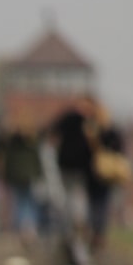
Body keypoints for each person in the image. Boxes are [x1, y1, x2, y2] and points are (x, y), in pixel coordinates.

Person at [49, 95, 97, 241]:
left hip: (71, 165)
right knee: (76, 195)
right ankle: (75, 222)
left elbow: (52, 131)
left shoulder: (71, 118)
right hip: (78, 166)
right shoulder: (88, 121)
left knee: (72, 196)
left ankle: (74, 223)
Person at [0, 112, 44, 250]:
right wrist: (39, 174)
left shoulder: (12, 140)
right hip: (30, 176)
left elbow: (5, 156)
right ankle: (30, 230)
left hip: (16, 176)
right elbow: (38, 159)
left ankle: (21, 231)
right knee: (30, 202)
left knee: (19, 202)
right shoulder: (34, 140)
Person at [85, 103, 126, 252]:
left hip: (101, 174)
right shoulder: (106, 132)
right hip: (99, 174)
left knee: (97, 204)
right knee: (100, 204)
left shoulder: (94, 132)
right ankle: (98, 233)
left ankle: (97, 232)